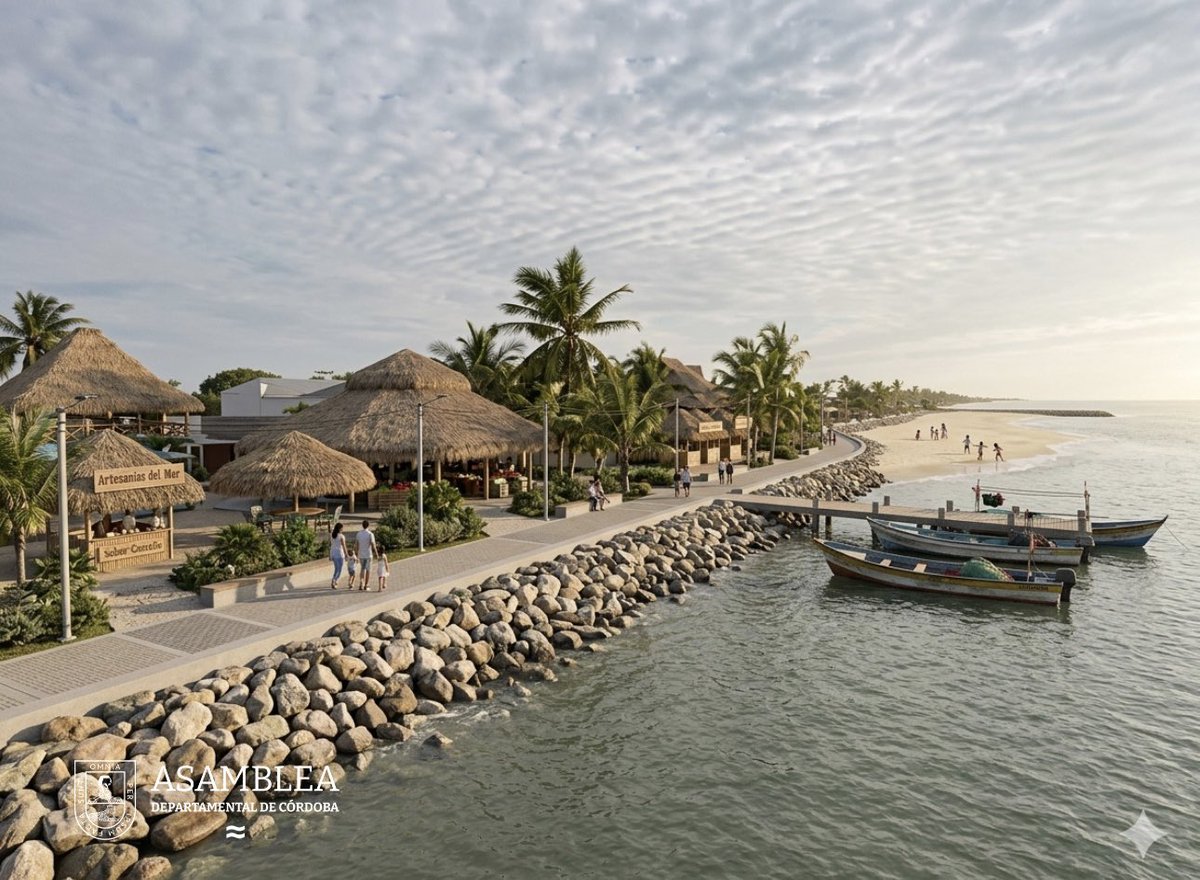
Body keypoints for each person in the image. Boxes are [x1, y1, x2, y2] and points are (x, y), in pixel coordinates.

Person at [355, 520, 376, 590]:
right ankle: (366, 584)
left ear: (362, 525)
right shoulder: (370, 534)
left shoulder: (358, 534)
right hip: (368, 554)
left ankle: (361, 583)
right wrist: (376, 553)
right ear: (368, 525)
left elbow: (357, 545)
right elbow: (373, 544)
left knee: (362, 569)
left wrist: (357, 554)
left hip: (361, 554)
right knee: (368, 570)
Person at [329, 523, 348, 590]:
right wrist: (346, 554)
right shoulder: (341, 536)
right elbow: (344, 546)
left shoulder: (332, 535)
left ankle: (335, 581)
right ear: (340, 528)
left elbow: (331, 545)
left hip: (334, 554)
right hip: (340, 554)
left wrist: (330, 554)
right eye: (342, 528)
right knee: (339, 569)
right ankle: (334, 580)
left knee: (336, 568)